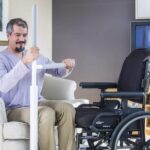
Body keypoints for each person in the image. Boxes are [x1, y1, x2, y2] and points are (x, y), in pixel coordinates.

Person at [0, 18, 76, 150]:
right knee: (46, 113)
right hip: (14, 108)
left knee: (67, 108)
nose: (22, 39)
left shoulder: (36, 56)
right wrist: (24, 63)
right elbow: (3, 85)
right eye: (17, 35)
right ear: (8, 35)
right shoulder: (2, 58)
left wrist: (67, 66)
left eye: (24, 35)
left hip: (37, 102)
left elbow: (58, 71)